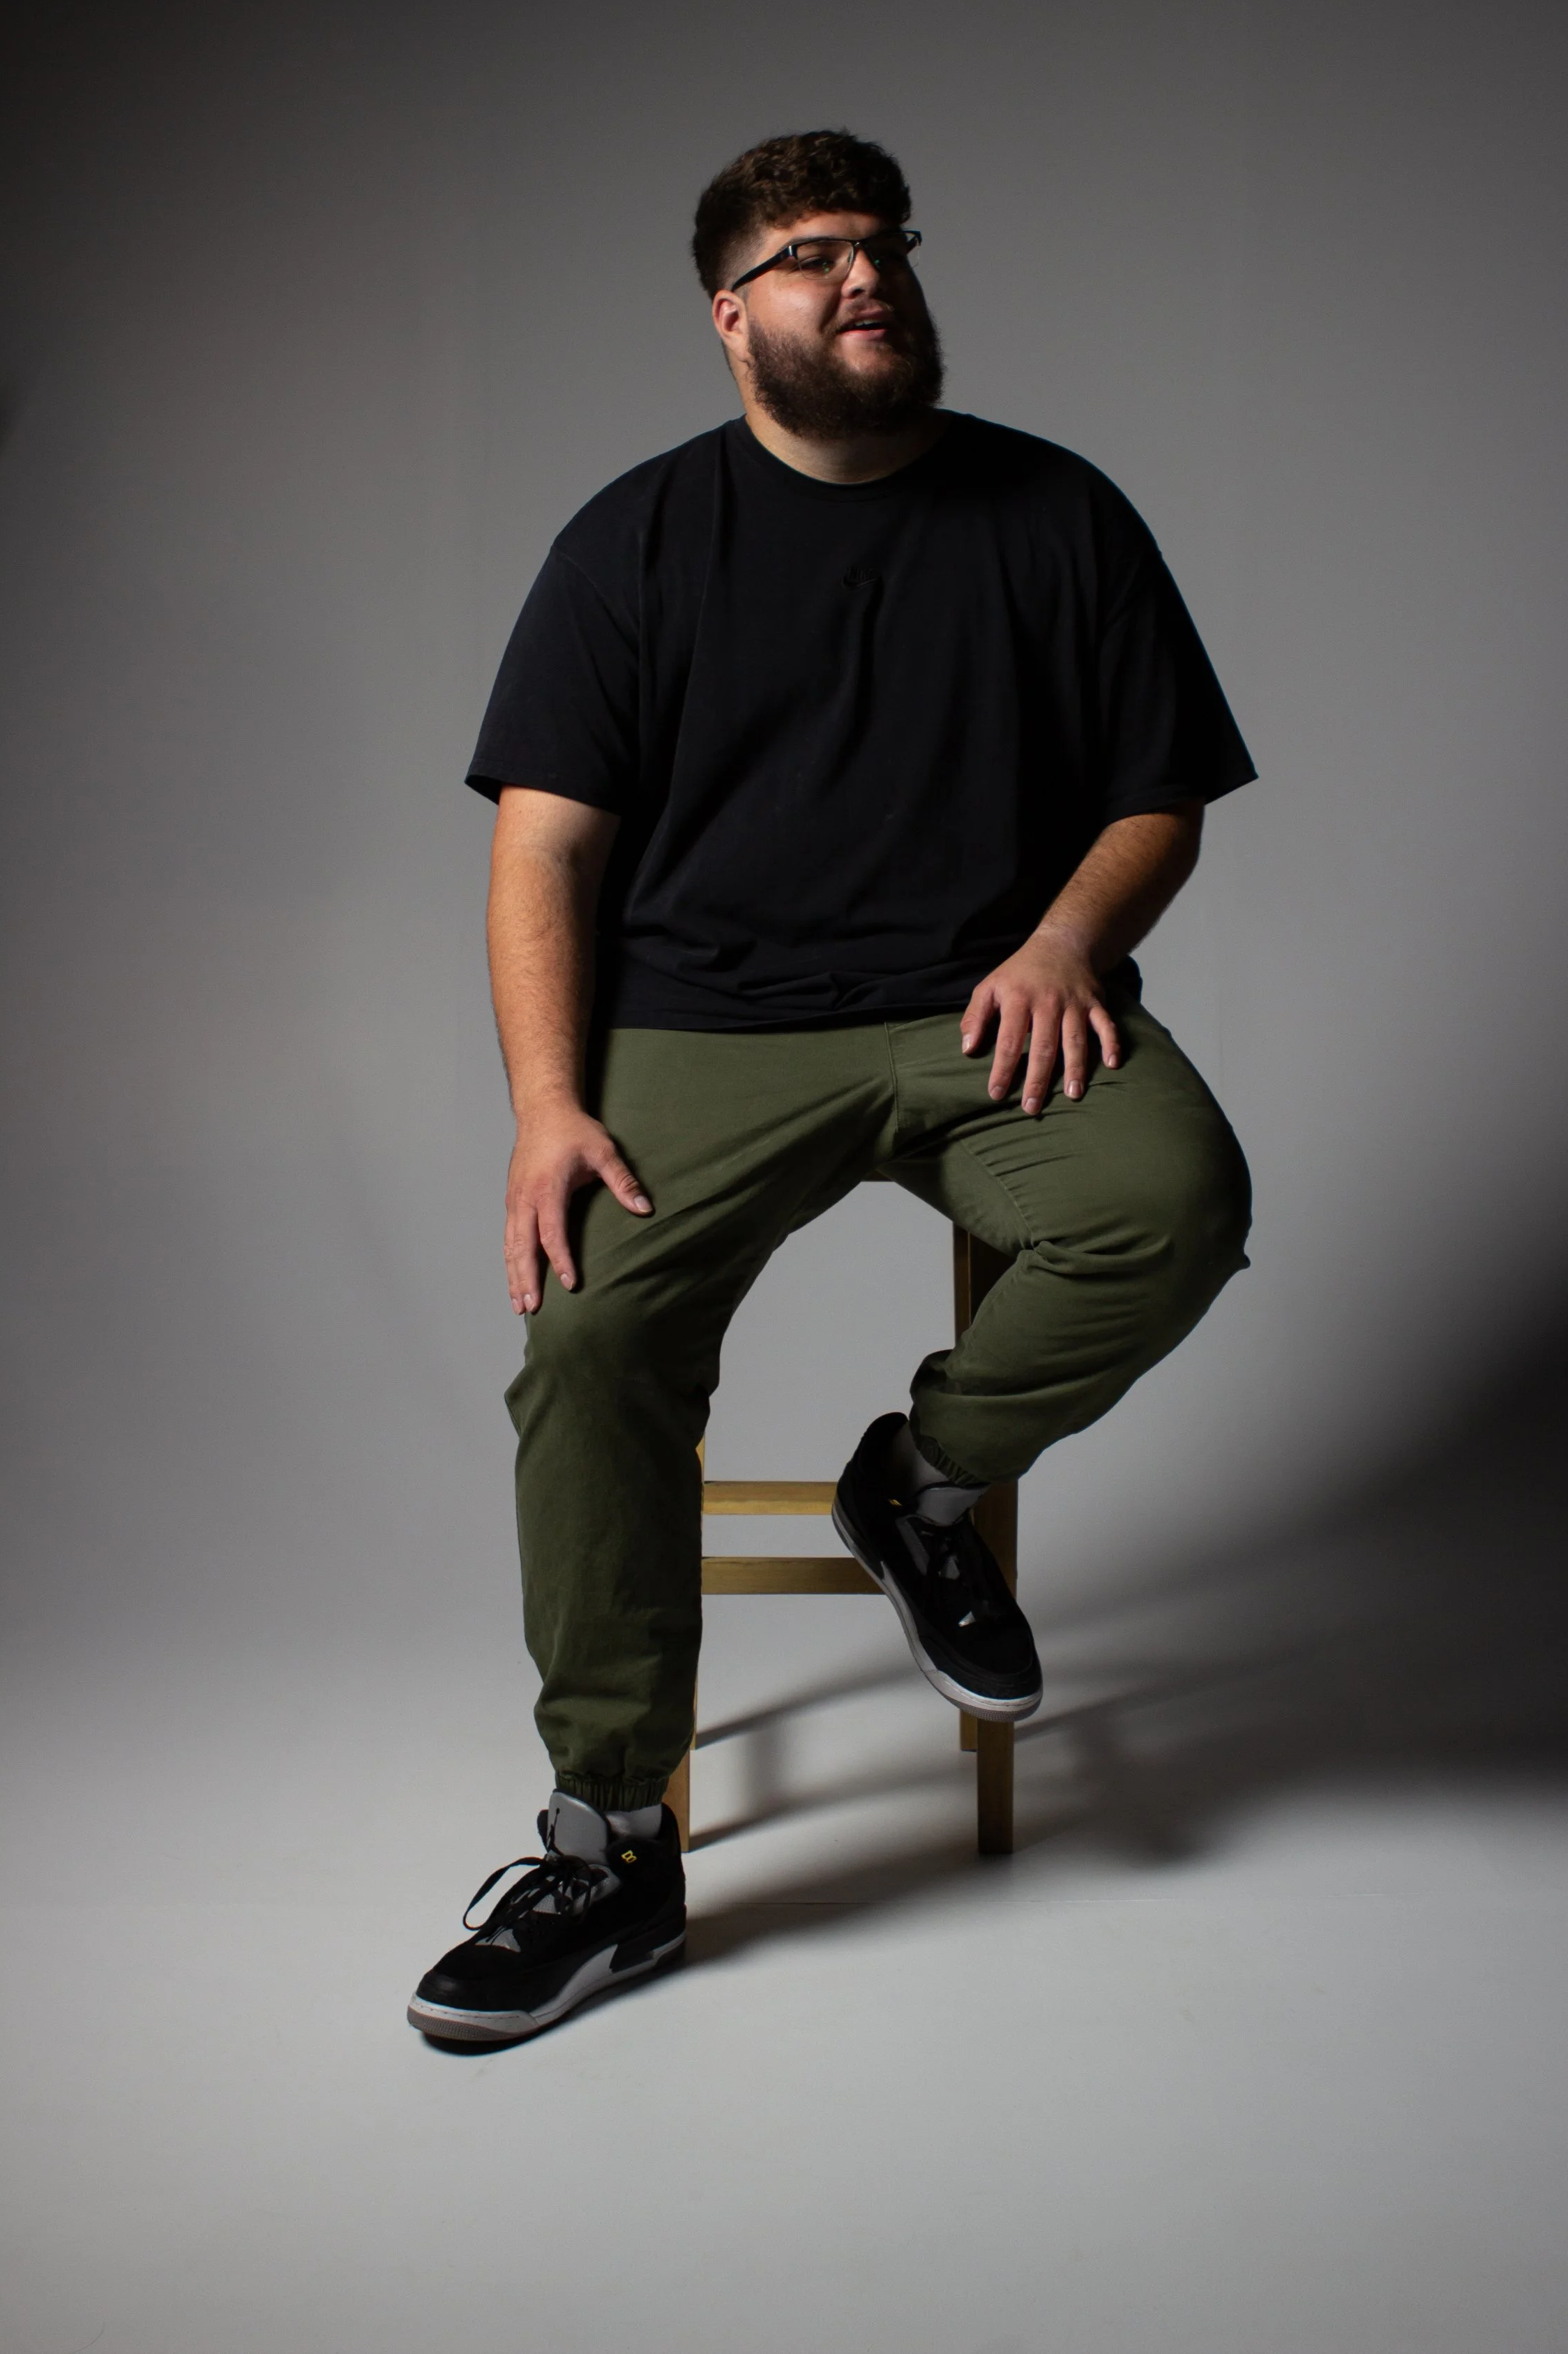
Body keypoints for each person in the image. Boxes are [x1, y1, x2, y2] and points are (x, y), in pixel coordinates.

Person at [407, 130, 1255, 2045]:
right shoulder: (630, 541)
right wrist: (549, 1104)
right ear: (732, 318)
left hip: (984, 1006)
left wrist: (1059, 941)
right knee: (592, 1340)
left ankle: (921, 1483)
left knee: (1172, 1205)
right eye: (809, 258)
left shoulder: (1055, 514)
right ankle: (611, 1847)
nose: (862, 276)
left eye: (881, 246)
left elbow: (1155, 795)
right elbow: (540, 853)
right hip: (703, 1024)